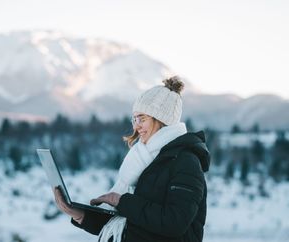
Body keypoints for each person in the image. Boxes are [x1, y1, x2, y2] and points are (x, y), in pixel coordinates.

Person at [53, 76, 210, 242]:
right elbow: (125, 224)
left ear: (162, 120)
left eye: (142, 119)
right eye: (134, 119)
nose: (136, 126)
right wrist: (78, 214)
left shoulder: (186, 162)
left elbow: (174, 222)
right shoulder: (142, 159)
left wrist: (122, 201)